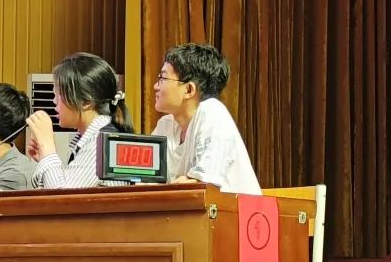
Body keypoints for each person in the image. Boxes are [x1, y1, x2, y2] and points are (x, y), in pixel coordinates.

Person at [151, 43, 261, 194]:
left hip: (236, 209)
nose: (155, 86)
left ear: (189, 89)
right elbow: (148, 179)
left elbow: (202, 185)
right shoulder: (165, 125)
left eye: (162, 78)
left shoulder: (212, 113)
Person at [26, 52, 134, 188]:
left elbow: (61, 196)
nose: (54, 101)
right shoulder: (95, 137)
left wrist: (47, 146)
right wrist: (44, 158)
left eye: (59, 94)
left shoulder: (100, 143)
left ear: (86, 102)